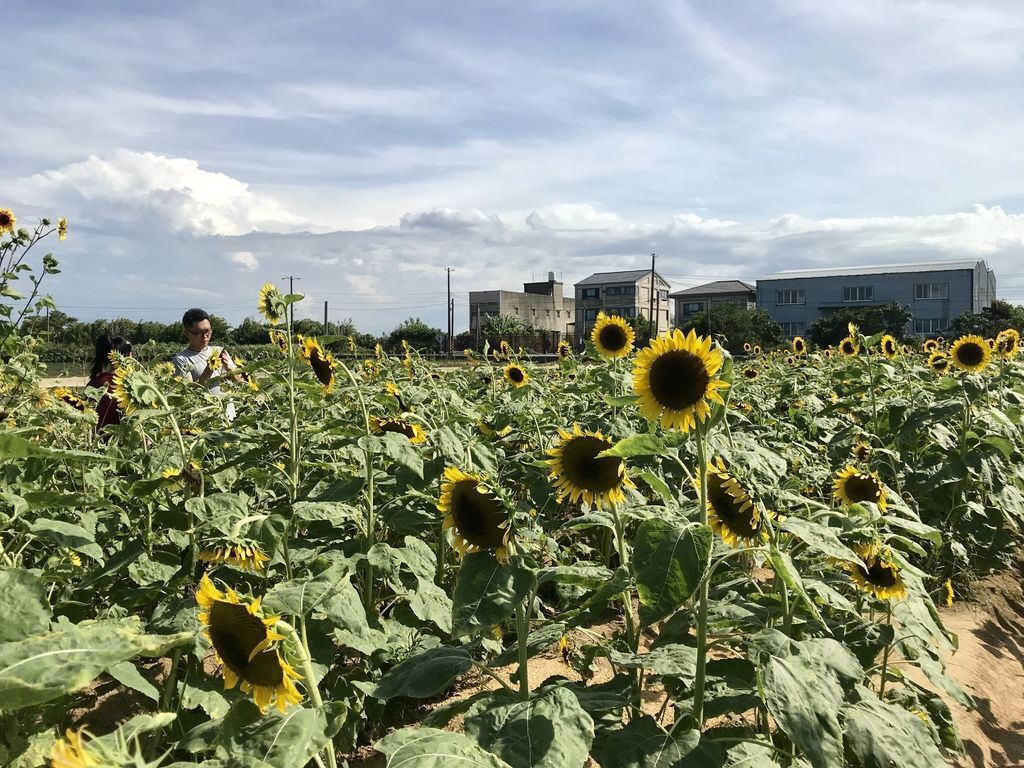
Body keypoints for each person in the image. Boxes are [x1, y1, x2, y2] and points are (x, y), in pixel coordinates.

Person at [173, 308, 237, 421]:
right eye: (198, 332)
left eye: (207, 331)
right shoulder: (181, 360)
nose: (204, 336)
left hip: (230, 417)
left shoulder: (220, 350)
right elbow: (189, 394)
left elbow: (241, 382)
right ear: (187, 333)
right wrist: (208, 371)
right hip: (206, 421)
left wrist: (231, 369)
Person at [86, 334, 133, 431]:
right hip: (125, 442)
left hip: (98, 442)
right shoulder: (131, 385)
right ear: (127, 356)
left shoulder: (94, 383)